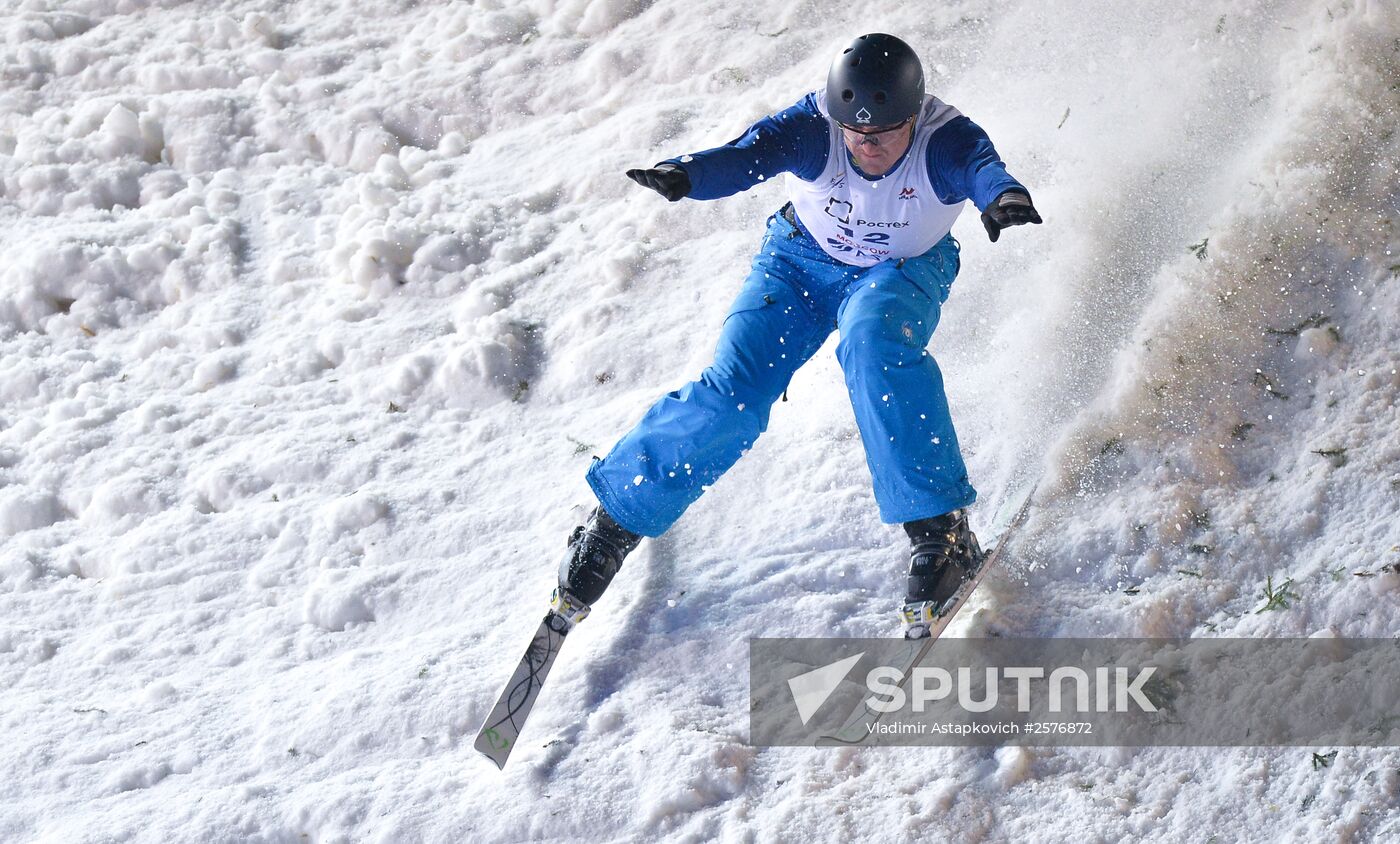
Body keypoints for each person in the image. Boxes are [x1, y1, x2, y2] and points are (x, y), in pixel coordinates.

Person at [550, 33, 1042, 639]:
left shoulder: (946, 140)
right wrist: (688, 174)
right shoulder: (815, 127)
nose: (866, 146)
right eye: (854, 132)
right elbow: (749, 153)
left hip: (899, 271)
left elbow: (984, 169)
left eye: (884, 134)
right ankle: (616, 519)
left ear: (913, 116)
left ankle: (943, 533)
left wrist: (1002, 197)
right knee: (734, 391)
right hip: (797, 264)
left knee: (873, 347)